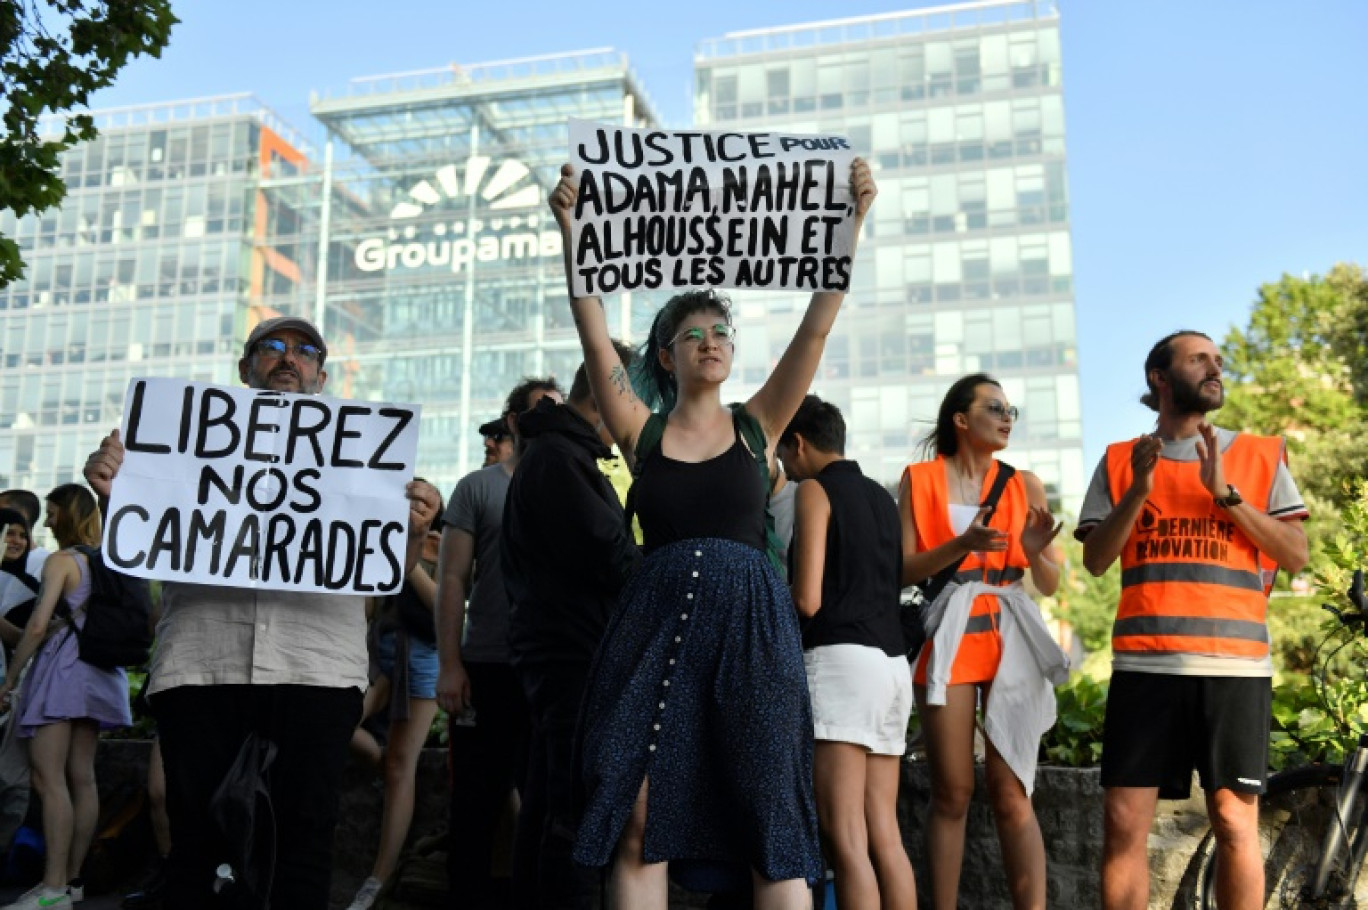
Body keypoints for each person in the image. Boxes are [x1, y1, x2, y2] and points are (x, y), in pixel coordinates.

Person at [548, 157, 876, 909]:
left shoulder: (759, 426)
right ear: (667, 357)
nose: (710, 340)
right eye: (692, 333)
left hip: (752, 627)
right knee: (635, 806)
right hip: (655, 624)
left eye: (719, 331)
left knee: (769, 816)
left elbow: (817, 328)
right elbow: (594, 335)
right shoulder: (641, 427)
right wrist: (571, 230)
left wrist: (852, 225)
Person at [81, 315, 440, 910]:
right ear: (243, 368)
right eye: (271, 347)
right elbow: (141, 544)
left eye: (305, 351)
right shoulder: (179, 444)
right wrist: (117, 496)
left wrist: (412, 530)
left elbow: (388, 573)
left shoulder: (361, 459)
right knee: (196, 840)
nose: (287, 357)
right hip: (202, 660)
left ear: (321, 376)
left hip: (316, 665)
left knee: (305, 839)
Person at [1077, 331, 1309, 910]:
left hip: (1234, 668)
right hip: (1144, 666)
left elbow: (1296, 554)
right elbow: (1097, 559)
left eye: (1218, 360)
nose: (1215, 367)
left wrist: (1224, 492)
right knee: (1123, 822)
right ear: (1160, 376)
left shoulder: (1258, 453)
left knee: (1234, 821)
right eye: (1199, 358)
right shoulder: (1119, 458)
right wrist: (1137, 490)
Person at [897, 373, 1068, 910]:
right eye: (995, 407)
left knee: (1012, 791)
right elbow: (902, 571)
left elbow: (1049, 582)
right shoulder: (919, 479)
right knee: (952, 791)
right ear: (961, 419)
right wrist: (960, 545)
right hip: (948, 635)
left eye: (1011, 408)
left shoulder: (1025, 483)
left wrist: (1036, 550)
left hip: (1009, 636)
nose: (1007, 415)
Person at [500, 346, 640, 910]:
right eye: (639, 400)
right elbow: (608, 554)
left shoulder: (563, 454)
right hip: (571, 653)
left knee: (548, 804)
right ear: (612, 396)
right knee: (576, 810)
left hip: (565, 650)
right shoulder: (561, 458)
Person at [777, 395, 917, 910]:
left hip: (840, 664)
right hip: (891, 666)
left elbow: (807, 598)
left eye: (783, 455)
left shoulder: (813, 490)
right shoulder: (881, 497)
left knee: (846, 839)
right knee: (884, 834)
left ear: (799, 442)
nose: (785, 470)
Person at [436, 377, 562, 909]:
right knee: (472, 807)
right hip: (487, 666)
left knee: (549, 808)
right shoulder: (477, 487)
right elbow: (451, 580)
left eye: (559, 411)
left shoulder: (580, 483)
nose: (551, 421)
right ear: (513, 421)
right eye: (538, 412)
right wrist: (449, 664)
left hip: (554, 671)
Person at [0, 484, 130, 910]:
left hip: (62, 672)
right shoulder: (109, 559)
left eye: (53, 513)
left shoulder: (61, 561)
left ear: (67, 516)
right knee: (82, 777)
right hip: (100, 674)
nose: (48, 521)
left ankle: (51, 888)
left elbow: (38, 628)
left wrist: (11, 679)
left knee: (47, 778)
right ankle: (73, 882)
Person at [346, 487, 444, 910]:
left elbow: (447, 609)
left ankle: (378, 878)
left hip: (422, 658)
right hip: (382, 656)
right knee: (338, 724)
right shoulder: (377, 537)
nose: (412, 509)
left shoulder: (441, 543)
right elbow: (368, 608)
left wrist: (411, 547)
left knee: (401, 767)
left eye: (422, 503)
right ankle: (379, 759)